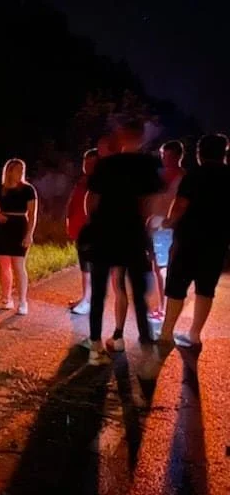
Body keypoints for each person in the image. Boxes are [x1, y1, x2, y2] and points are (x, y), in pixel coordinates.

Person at [85, 120, 164, 365]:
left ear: (120, 137)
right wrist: (148, 226)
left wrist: (94, 224)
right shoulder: (148, 164)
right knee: (138, 292)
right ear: (140, 138)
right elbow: (152, 202)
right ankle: (146, 350)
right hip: (131, 233)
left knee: (99, 291)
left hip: (104, 232)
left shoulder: (106, 165)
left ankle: (95, 347)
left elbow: (92, 199)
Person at [159, 134, 230, 349]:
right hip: (217, 242)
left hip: (188, 239)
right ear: (223, 154)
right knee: (206, 289)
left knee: (177, 286)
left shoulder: (194, 175)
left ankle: (166, 333)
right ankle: (194, 334)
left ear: (200, 153)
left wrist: (169, 222)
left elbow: (181, 204)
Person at [0, 159, 38, 316]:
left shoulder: (28, 189)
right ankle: (6, 298)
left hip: (19, 226)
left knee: (18, 265)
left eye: (22, 170)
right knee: (4, 265)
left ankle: (23, 301)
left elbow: (32, 214)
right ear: (9, 171)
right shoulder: (0, 189)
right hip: (2, 227)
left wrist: (29, 234)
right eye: (17, 169)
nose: (21, 173)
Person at [147, 140, 186, 321]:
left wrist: (168, 221)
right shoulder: (159, 176)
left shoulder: (183, 178)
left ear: (179, 156)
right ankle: (163, 308)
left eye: (169, 156)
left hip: (168, 227)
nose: (165, 159)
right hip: (156, 225)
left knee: (163, 268)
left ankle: (164, 311)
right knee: (158, 267)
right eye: (163, 155)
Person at [66, 149, 98, 315]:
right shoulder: (82, 181)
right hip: (79, 227)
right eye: (86, 161)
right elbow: (74, 202)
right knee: (84, 265)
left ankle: (88, 300)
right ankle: (85, 297)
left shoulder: (98, 182)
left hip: (91, 229)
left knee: (89, 267)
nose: (87, 165)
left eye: (92, 162)